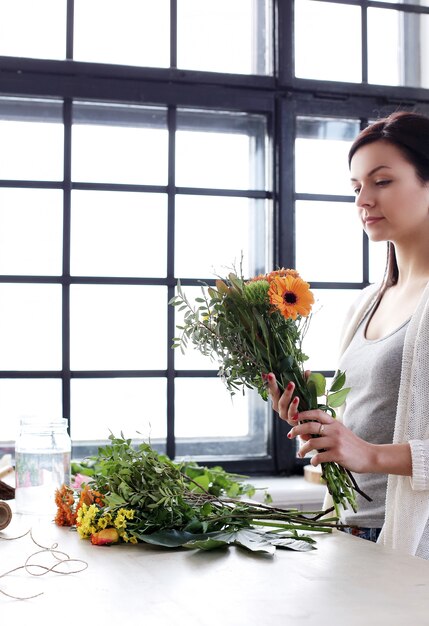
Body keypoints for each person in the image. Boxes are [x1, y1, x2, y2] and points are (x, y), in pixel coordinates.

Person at [266, 110, 429, 559]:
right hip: (349, 530)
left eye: (382, 181)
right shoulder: (365, 304)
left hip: (416, 544)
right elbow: (360, 425)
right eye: (356, 187)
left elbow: (366, 450)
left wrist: (369, 455)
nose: (363, 200)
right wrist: (314, 417)